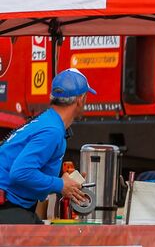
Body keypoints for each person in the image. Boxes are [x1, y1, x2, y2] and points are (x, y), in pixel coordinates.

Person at [0, 69, 93, 223]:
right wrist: (60, 184)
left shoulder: (48, 120)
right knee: (41, 241)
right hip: (7, 205)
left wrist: (64, 183)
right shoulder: (52, 130)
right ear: (80, 99)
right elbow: (20, 172)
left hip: (10, 203)